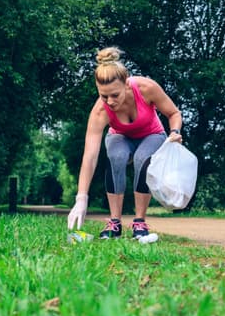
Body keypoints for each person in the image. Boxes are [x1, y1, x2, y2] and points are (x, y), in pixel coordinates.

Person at [67, 46, 182, 239]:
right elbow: (90, 156)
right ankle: (115, 223)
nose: (110, 101)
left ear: (126, 84)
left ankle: (139, 222)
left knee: (142, 158)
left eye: (115, 95)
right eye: (104, 96)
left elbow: (174, 113)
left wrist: (175, 132)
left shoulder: (146, 88)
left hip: (152, 134)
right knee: (116, 156)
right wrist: (81, 197)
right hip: (120, 137)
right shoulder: (100, 111)